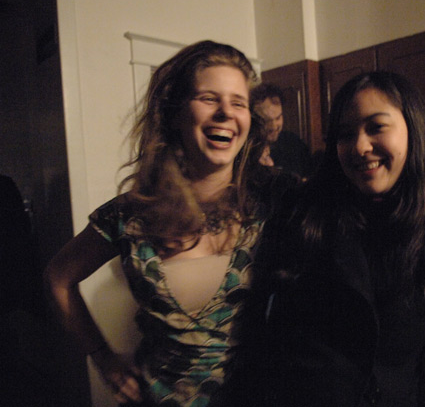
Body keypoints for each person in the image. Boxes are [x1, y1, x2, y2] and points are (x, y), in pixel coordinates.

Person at [44, 40, 295, 407]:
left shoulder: (271, 204)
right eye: (209, 98)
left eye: (238, 102)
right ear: (175, 114)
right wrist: (104, 359)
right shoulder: (127, 216)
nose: (226, 112)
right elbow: (58, 278)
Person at [217, 71, 425, 407]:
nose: (359, 146)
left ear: (413, 130)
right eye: (344, 134)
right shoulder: (305, 218)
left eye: (376, 126)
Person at [251, 82, 313, 178]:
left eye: (278, 118)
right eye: (266, 120)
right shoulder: (247, 152)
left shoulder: (294, 143)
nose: (274, 126)